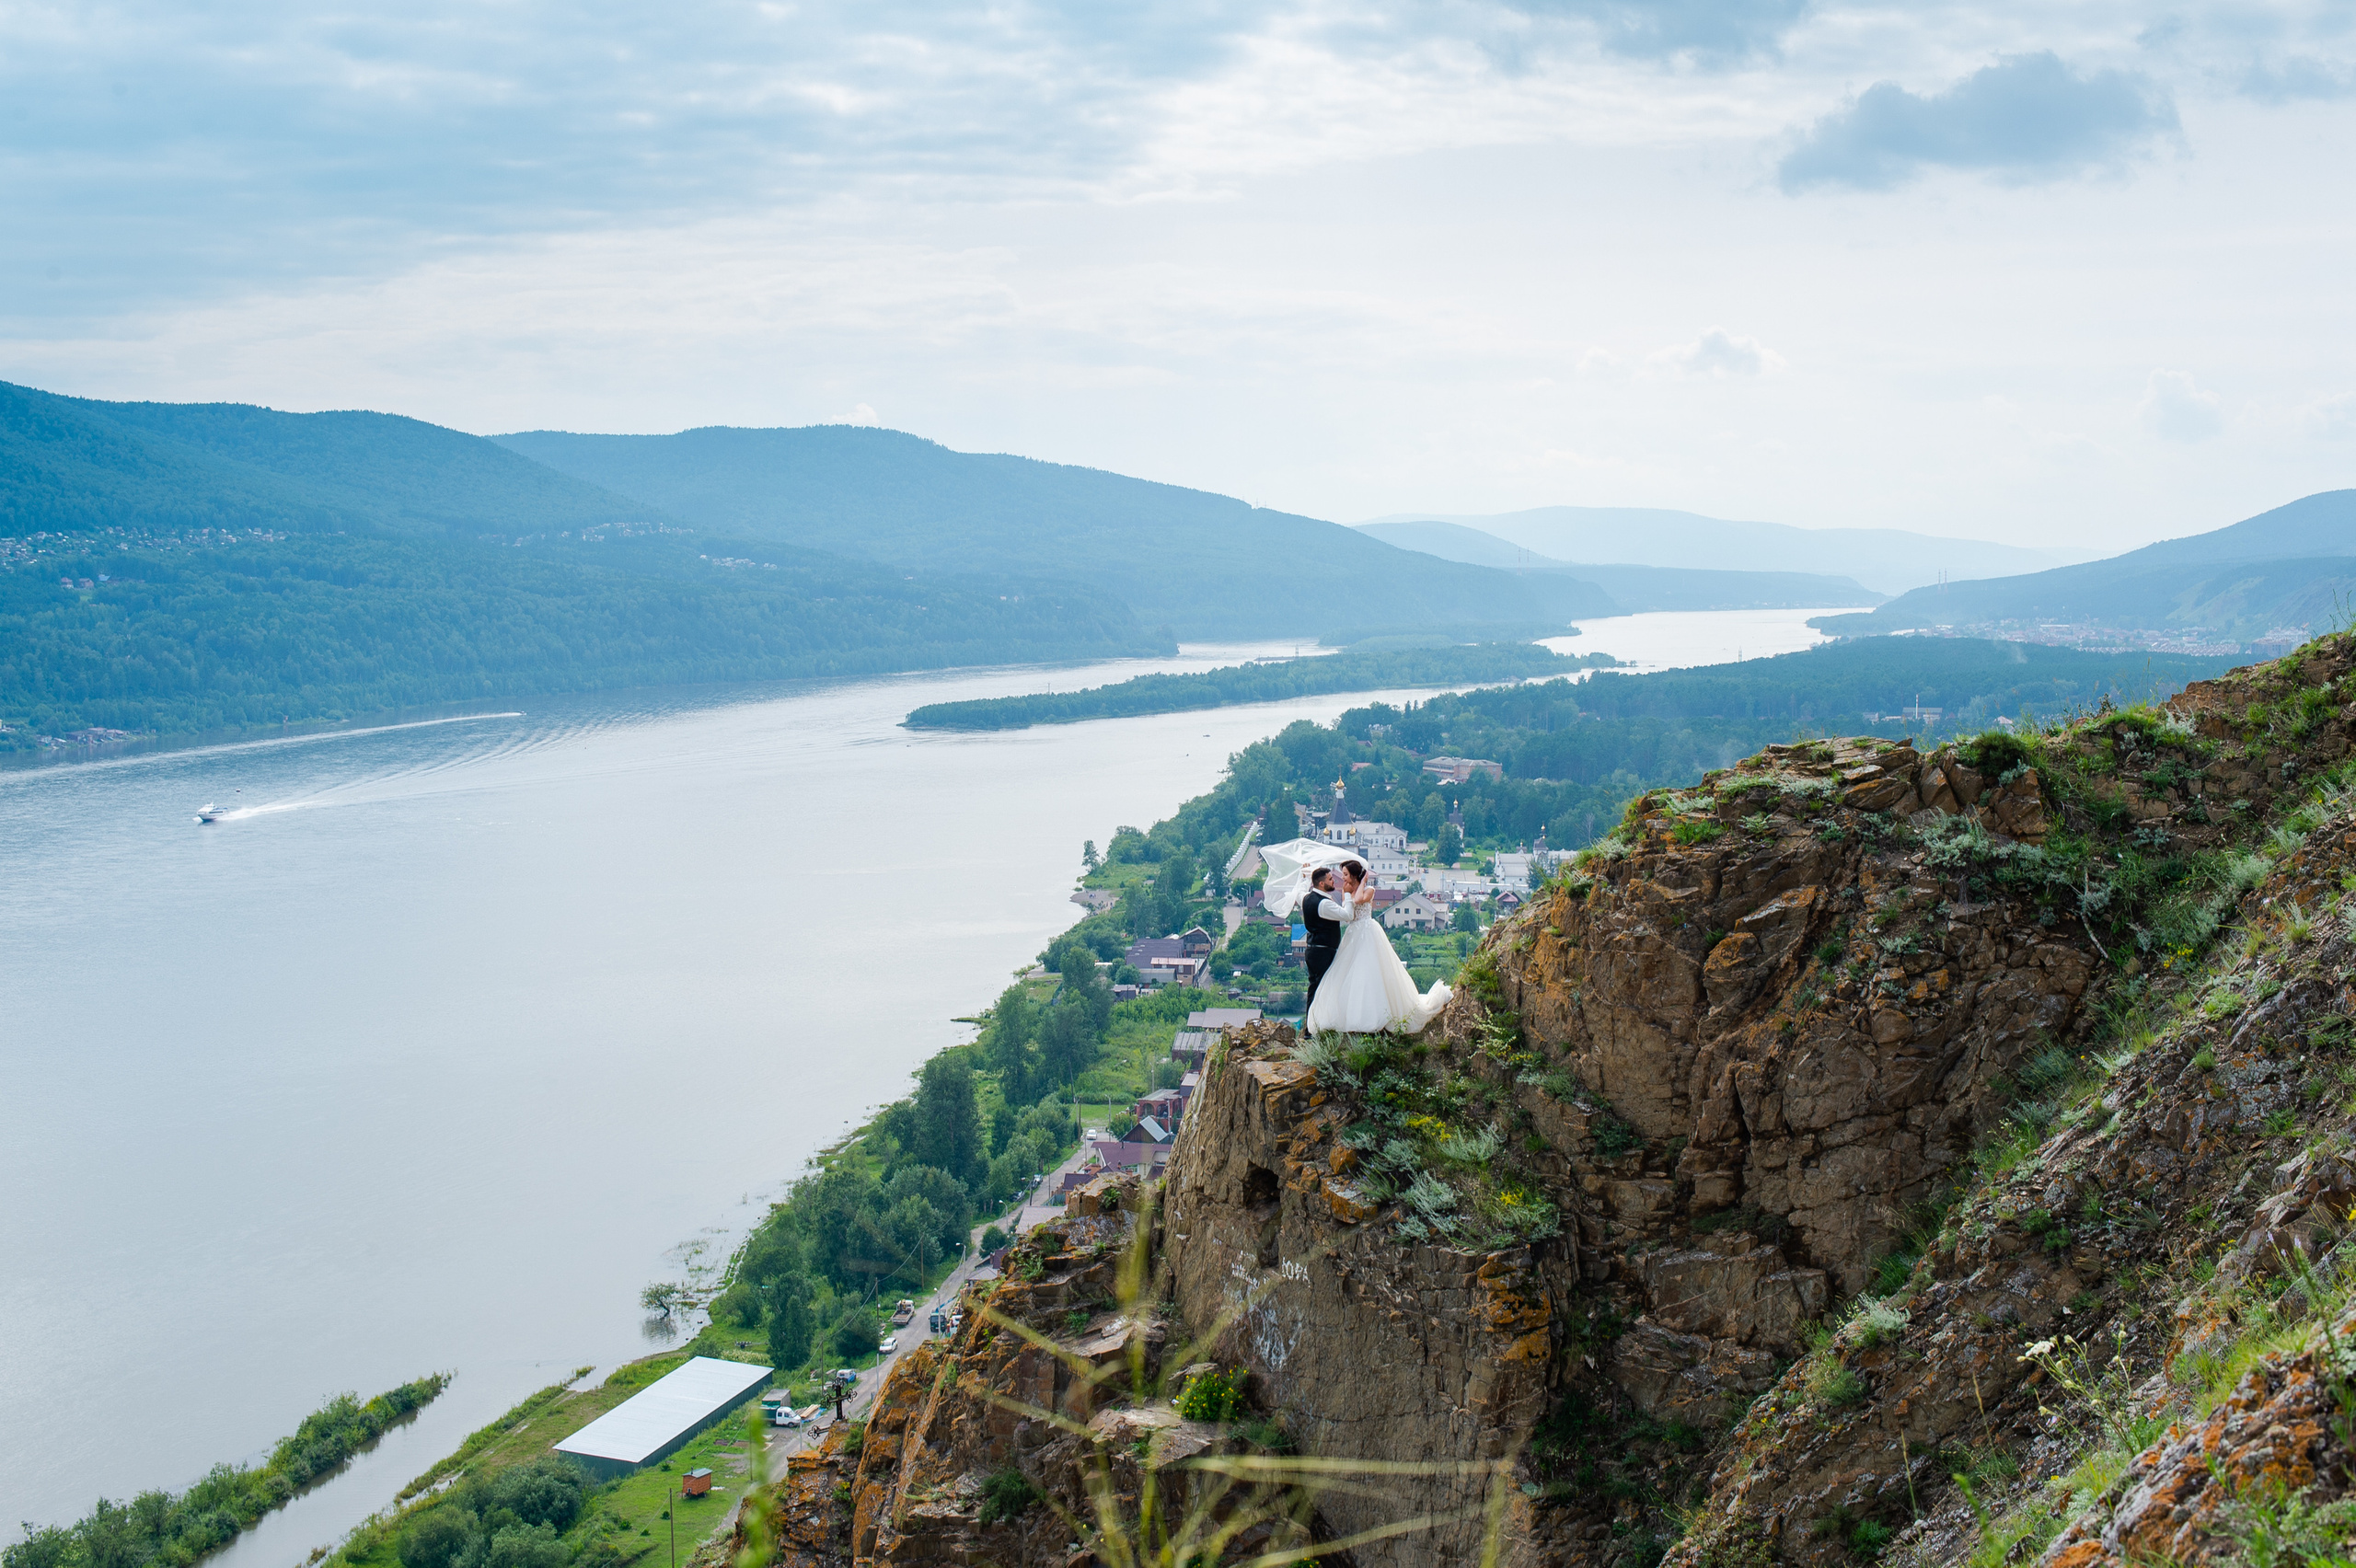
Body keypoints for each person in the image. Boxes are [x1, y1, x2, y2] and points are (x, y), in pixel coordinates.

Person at [1305, 859, 1452, 1035]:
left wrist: (1361, 883)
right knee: (1350, 974)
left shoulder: (1368, 890)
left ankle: (1375, 1016)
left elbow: (1359, 899)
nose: (1341, 878)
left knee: (1370, 971)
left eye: (1345, 874)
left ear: (1353, 875)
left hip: (1367, 931)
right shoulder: (1348, 890)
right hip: (1353, 934)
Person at [1299, 866, 1348, 1015]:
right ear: (1321, 884)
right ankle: (1316, 1024)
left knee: (1314, 988)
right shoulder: (1324, 903)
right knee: (1322, 988)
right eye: (1330, 879)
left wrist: (1304, 877)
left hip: (1313, 950)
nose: (1334, 881)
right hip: (1323, 952)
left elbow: (1298, 893)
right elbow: (1347, 915)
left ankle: (1311, 1026)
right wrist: (1348, 894)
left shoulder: (1306, 898)